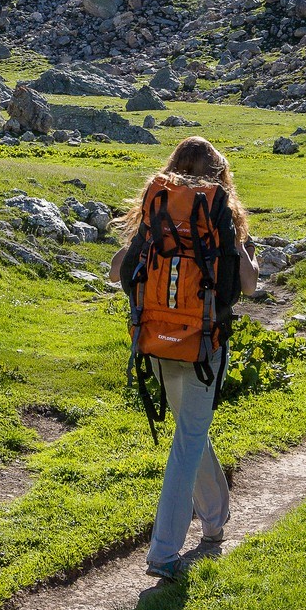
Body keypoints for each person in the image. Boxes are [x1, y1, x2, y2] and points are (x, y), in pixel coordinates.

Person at [109, 136, 259, 580]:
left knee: (190, 433)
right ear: (220, 174)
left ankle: (214, 521)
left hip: (155, 342)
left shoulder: (158, 211)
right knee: (189, 439)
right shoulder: (221, 216)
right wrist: (250, 257)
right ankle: (163, 553)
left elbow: (119, 270)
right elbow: (248, 287)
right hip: (203, 347)